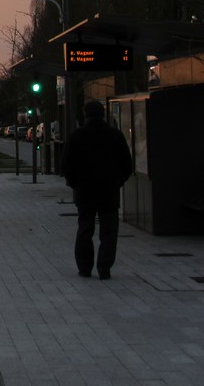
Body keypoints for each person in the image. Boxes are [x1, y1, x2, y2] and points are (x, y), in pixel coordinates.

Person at [61, 100, 133, 280]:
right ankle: (104, 267)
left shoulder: (77, 136)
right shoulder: (115, 135)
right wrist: (118, 182)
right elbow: (127, 164)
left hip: (84, 191)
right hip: (109, 191)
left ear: (85, 115)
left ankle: (85, 268)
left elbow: (66, 164)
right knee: (109, 231)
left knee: (85, 229)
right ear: (103, 114)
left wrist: (74, 183)